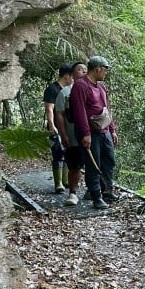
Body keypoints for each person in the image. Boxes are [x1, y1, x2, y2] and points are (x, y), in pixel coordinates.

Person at [70, 55, 118, 210]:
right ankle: (96, 196)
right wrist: (85, 133)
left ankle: (107, 192)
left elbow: (107, 109)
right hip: (90, 132)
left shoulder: (101, 86)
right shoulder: (81, 86)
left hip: (104, 131)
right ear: (97, 68)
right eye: (105, 69)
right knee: (93, 164)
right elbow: (79, 111)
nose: (106, 73)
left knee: (108, 161)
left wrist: (112, 130)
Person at [55, 62, 88, 206]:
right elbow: (60, 114)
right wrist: (63, 134)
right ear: (72, 74)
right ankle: (73, 194)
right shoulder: (65, 92)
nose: (83, 72)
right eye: (79, 69)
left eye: (86, 69)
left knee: (93, 163)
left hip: (90, 135)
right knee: (74, 165)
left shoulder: (93, 89)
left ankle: (93, 191)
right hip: (72, 135)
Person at [43, 63, 75, 193]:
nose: (73, 79)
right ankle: (58, 183)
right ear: (67, 76)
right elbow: (49, 108)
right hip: (56, 126)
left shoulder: (69, 90)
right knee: (57, 153)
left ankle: (66, 180)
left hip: (67, 127)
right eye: (72, 76)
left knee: (68, 152)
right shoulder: (52, 89)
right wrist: (52, 125)